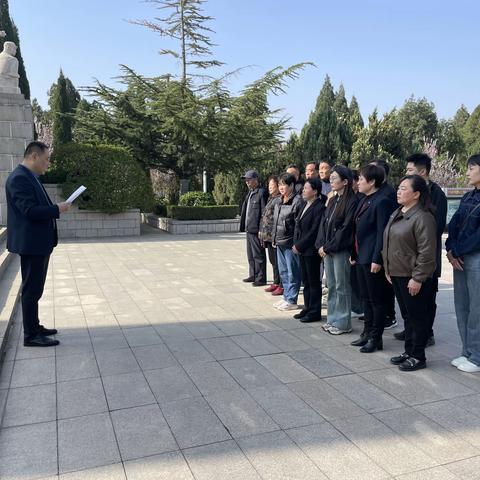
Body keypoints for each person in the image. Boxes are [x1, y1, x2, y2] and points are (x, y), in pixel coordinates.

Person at [6, 141, 71, 347]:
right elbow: (30, 211)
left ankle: (35, 326)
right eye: (46, 160)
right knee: (31, 290)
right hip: (31, 243)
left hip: (38, 243)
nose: (48, 164)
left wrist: (54, 209)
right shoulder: (19, 179)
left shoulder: (30, 177)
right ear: (33, 156)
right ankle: (31, 335)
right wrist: (57, 209)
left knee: (36, 288)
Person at [393, 153, 447, 346]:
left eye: (409, 170)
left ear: (422, 171)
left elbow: (435, 229)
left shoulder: (436, 194)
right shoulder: (405, 201)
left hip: (425, 259)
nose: (406, 173)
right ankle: (412, 332)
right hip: (407, 260)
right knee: (410, 304)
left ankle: (426, 334)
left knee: (426, 299)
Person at [383, 175, 437, 371]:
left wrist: (418, 277)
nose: (398, 191)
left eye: (404, 188)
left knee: (417, 317)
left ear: (416, 194)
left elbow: (427, 251)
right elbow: (390, 242)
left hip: (412, 276)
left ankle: (418, 356)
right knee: (407, 316)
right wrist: (388, 269)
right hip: (397, 273)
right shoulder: (398, 212)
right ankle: (409, 351)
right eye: (399, 187)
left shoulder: (423, 217)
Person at [350, 164, 396, 352]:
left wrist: (378, 258)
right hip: (361, 256)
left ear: (372, 181)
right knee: (365, 298)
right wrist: (354, 254)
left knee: (377, 300)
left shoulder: (381, 201)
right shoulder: (364, 199)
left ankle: (376, 338)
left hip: (372, 258)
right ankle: (366, 333)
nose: (358, 182)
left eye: (361, 179)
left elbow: (381, 233)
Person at [446, 154, 480, 373]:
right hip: (460, 257)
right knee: (462, 305)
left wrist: (458, 250)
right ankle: (467, 351)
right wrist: (450, 249)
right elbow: (455, 222)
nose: (466, 172)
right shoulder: (469, 196)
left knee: (477, 309)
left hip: (475, 256)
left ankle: (477, 356)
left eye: (471, 168)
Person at [316, 166, 359, 334]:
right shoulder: (333, 200)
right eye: (331, 178)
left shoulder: (352, 202)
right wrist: (321, 245)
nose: (331, 181)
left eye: (335, 178)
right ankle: (332, 319)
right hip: (327, 250)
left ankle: (343, 322)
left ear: (345, 182)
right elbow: (324, 224)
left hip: (340, 250)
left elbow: (346, 229)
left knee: (342, 286)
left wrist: (327, 247)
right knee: (332, 286)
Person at [370, 158, 398, 330]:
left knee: (385, 286)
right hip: (372, 245)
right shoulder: (376, 193)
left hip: (382, 246)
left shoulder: (388, 194)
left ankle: (390, 315)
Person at [292, 178, 325, 323]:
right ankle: (307, 307)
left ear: (315, 191)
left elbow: (313, 231)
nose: (303, 190)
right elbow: (299, 227)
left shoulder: (319, 207)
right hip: (302, 249)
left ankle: (314, 311)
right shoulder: (305, 204)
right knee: (306, 281)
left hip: (311, 250)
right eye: (304, 188)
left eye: (306, 188)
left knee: (313, 282)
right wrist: (296, 244)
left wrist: (299, 245)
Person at [272, 173, 304, 311]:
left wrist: (297, 244)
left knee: (293, 272)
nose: (281, 187)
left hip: (290, 243)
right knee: (283, 271)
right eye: (279, 185)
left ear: (291, 185)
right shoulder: (279, 200)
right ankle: (286, 297)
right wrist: (273, 238)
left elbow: (299, 226)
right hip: (279, 241)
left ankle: (292, 300)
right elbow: (275, 222)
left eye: (284, 184)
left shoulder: (297, 201)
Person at [239, 170, 268, 286]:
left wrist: (262, 229)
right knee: (250, 254)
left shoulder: (261, 193)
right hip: (249, 229)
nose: (247, 182)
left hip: (256, 230)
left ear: (256, 180)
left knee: (258, 255)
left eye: (249, 179)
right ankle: (253, 274)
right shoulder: (250, 193)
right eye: (246, 180)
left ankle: (261, 278)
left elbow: (263, 213)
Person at [259, 176, 283, 296]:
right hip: (267, 236)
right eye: (269, 186)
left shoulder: (279, 199)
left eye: (272, 185)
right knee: (273, 261)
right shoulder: (271, 198)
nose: (270, 188)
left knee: (278, 262)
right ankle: (276, 282)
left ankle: (281, 284)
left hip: (274, 236)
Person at [350, 170, 364, 319]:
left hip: (361, 249)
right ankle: (356, 306)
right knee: (352, 280)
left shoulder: (361, 199)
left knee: (358, 281)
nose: (359, 183)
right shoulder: (355, 197)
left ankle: (359, 308)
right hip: (353, 247)